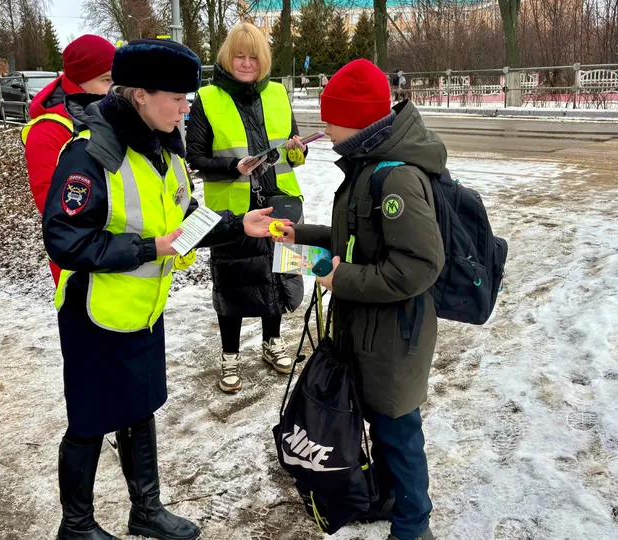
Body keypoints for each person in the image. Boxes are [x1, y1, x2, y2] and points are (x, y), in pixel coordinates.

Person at [42, 39, 289, 540]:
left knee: (141, 407)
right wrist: (148, 248)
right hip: (94, 313)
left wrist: (240, 224)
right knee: (90, 419)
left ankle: (146, 510)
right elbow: (65, 240)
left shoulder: (163, 150)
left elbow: (185, 219)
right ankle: (77, 526)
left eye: (187, 99)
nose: (185, 109)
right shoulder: (90, 153)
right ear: (140, 95)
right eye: (177, 99)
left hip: (145, 309)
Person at [275, 59, 445, 540]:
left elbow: (418, 266)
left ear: (356, 120)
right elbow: (355, 240)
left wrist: (340, 278)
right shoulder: (365, 166)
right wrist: (301, 235)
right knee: (380, 424)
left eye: (331, 119)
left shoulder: (395, 179)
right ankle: (388, 498)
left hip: (395, 334)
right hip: (367, 326)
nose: (324, 128)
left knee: (398, 431)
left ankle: (413, 526)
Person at [186, 22, 308, 394]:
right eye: (239, 56)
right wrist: (232, 167)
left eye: (253, 57)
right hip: (233, 213)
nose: (246, 63)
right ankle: (230, 356)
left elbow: (293, 152)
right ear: (227, 57)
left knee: (281, 276)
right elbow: (195, 158)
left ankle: (273, 341)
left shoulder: (278, 93)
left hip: (282, 201)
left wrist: (298, 151)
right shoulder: (207, 98)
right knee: (232, 285)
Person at [23, 34, 115, 285]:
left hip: (122, 250)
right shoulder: (48, 130)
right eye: (107, 80)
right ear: (79, 81)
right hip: (81, 258)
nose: (114, 88)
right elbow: (56, 206)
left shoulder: (108, 115)